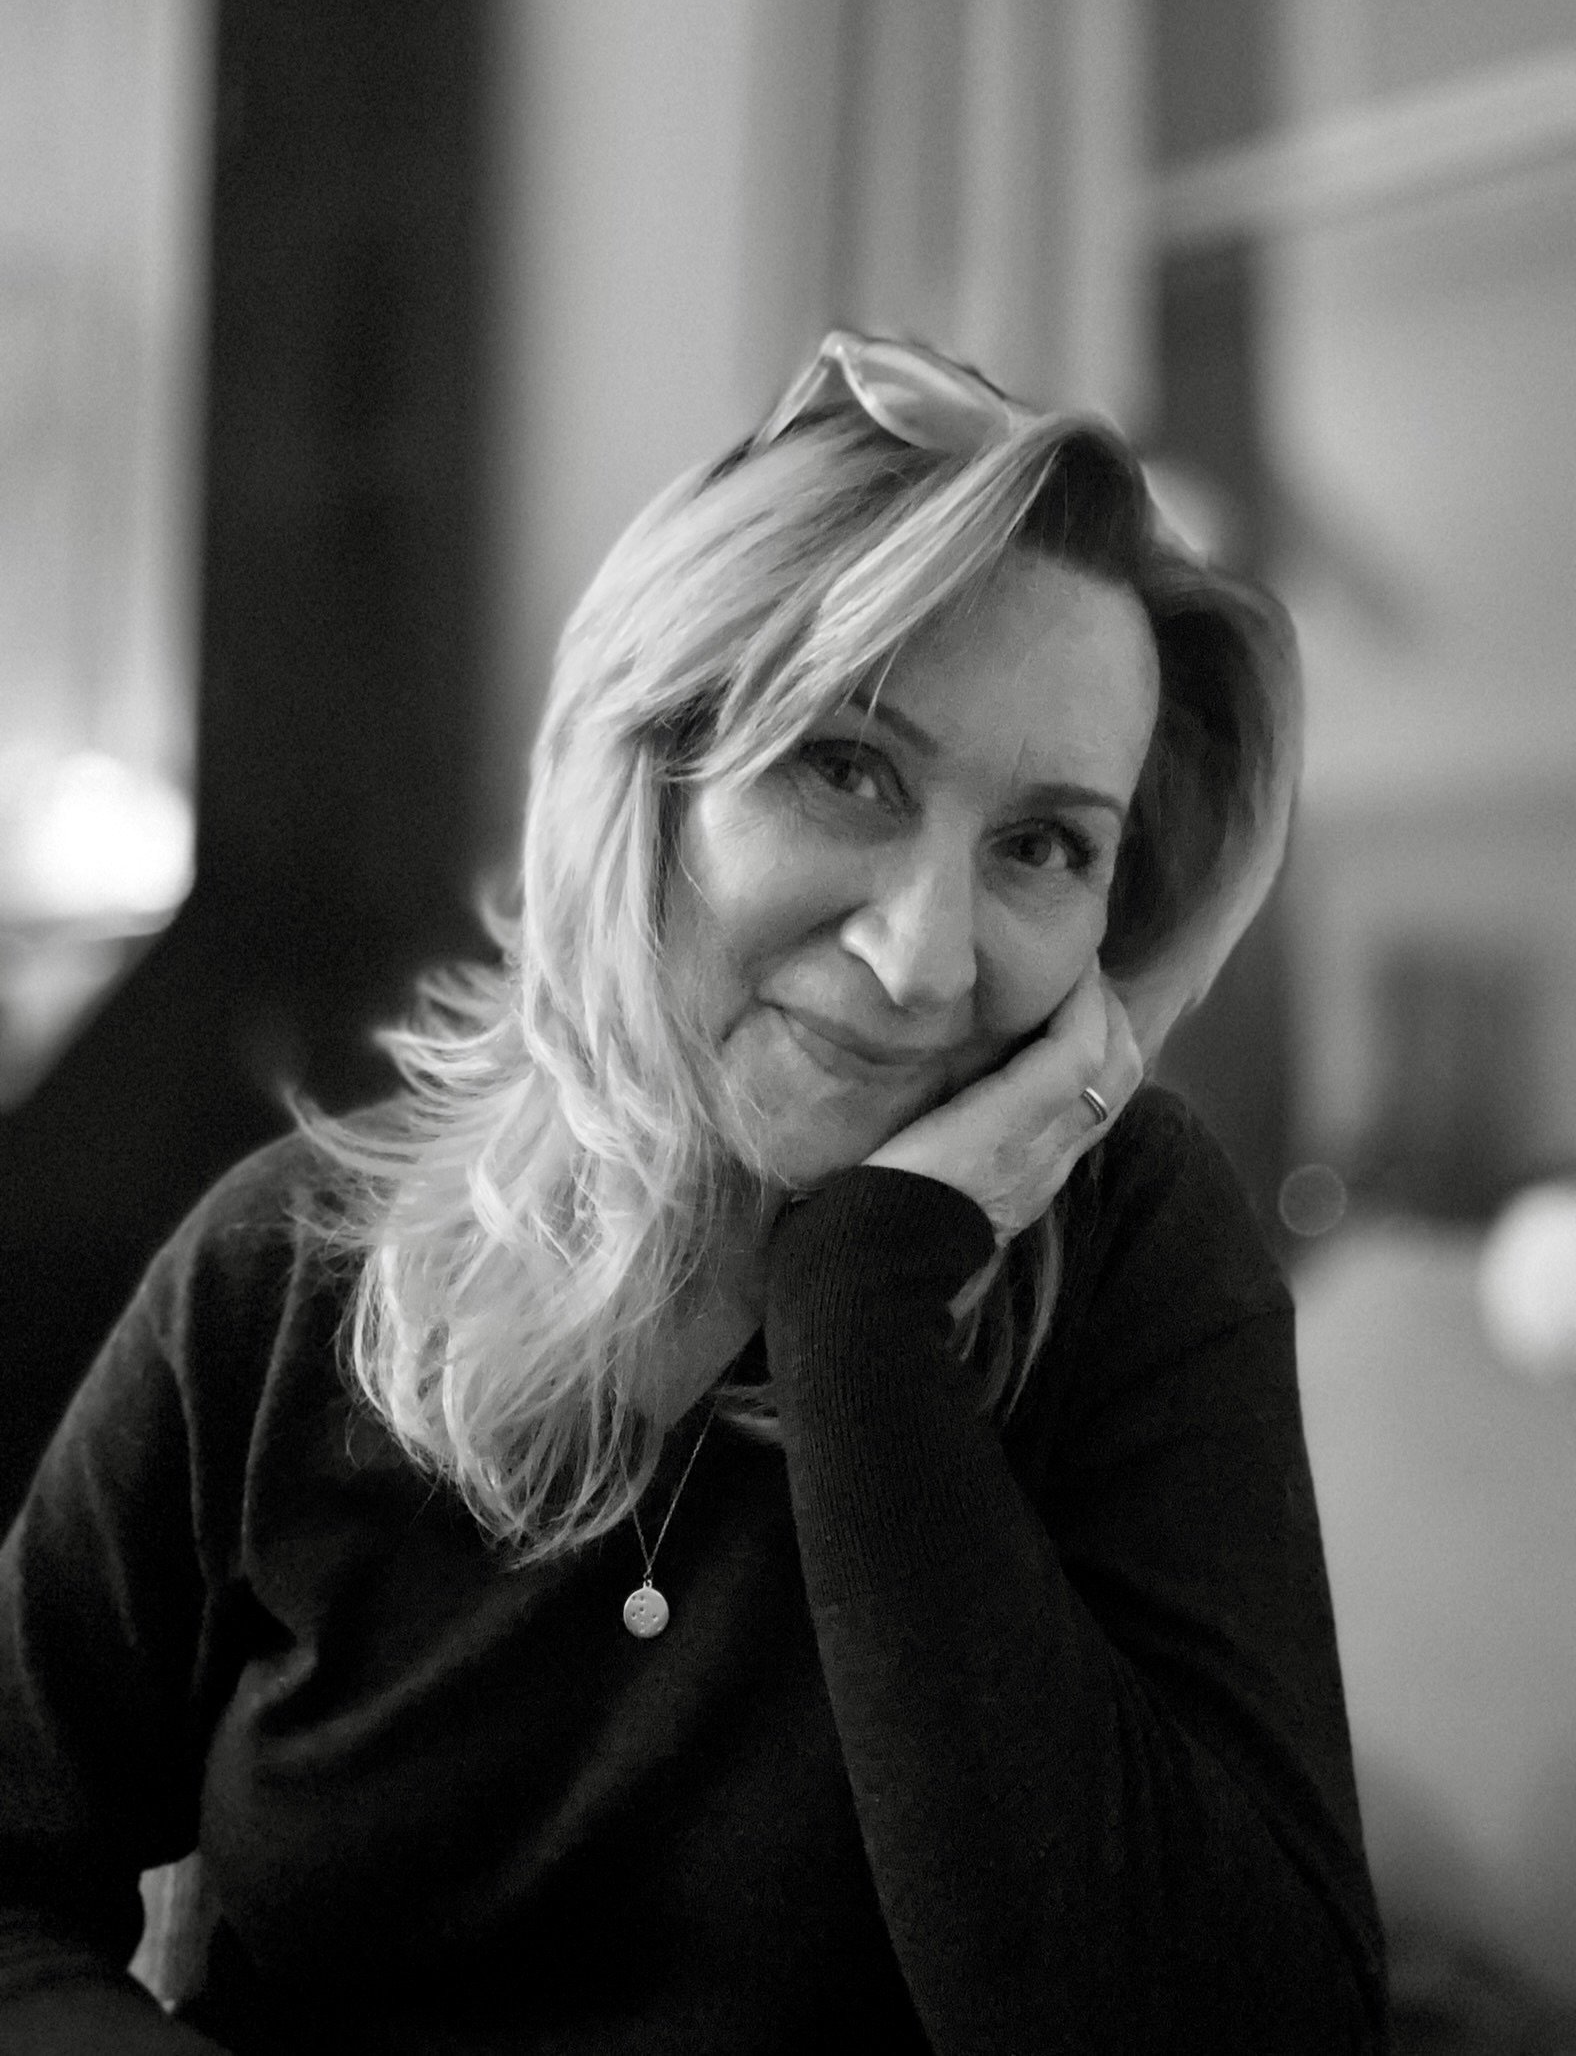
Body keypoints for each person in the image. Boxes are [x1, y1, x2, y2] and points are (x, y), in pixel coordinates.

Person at [0, 331, 1387, 2053]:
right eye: (848, 767)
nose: (924, 955)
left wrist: (864, 1309)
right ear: (644, 778)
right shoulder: (289, 1275)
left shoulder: (1129, 1263)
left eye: (1043, 845)